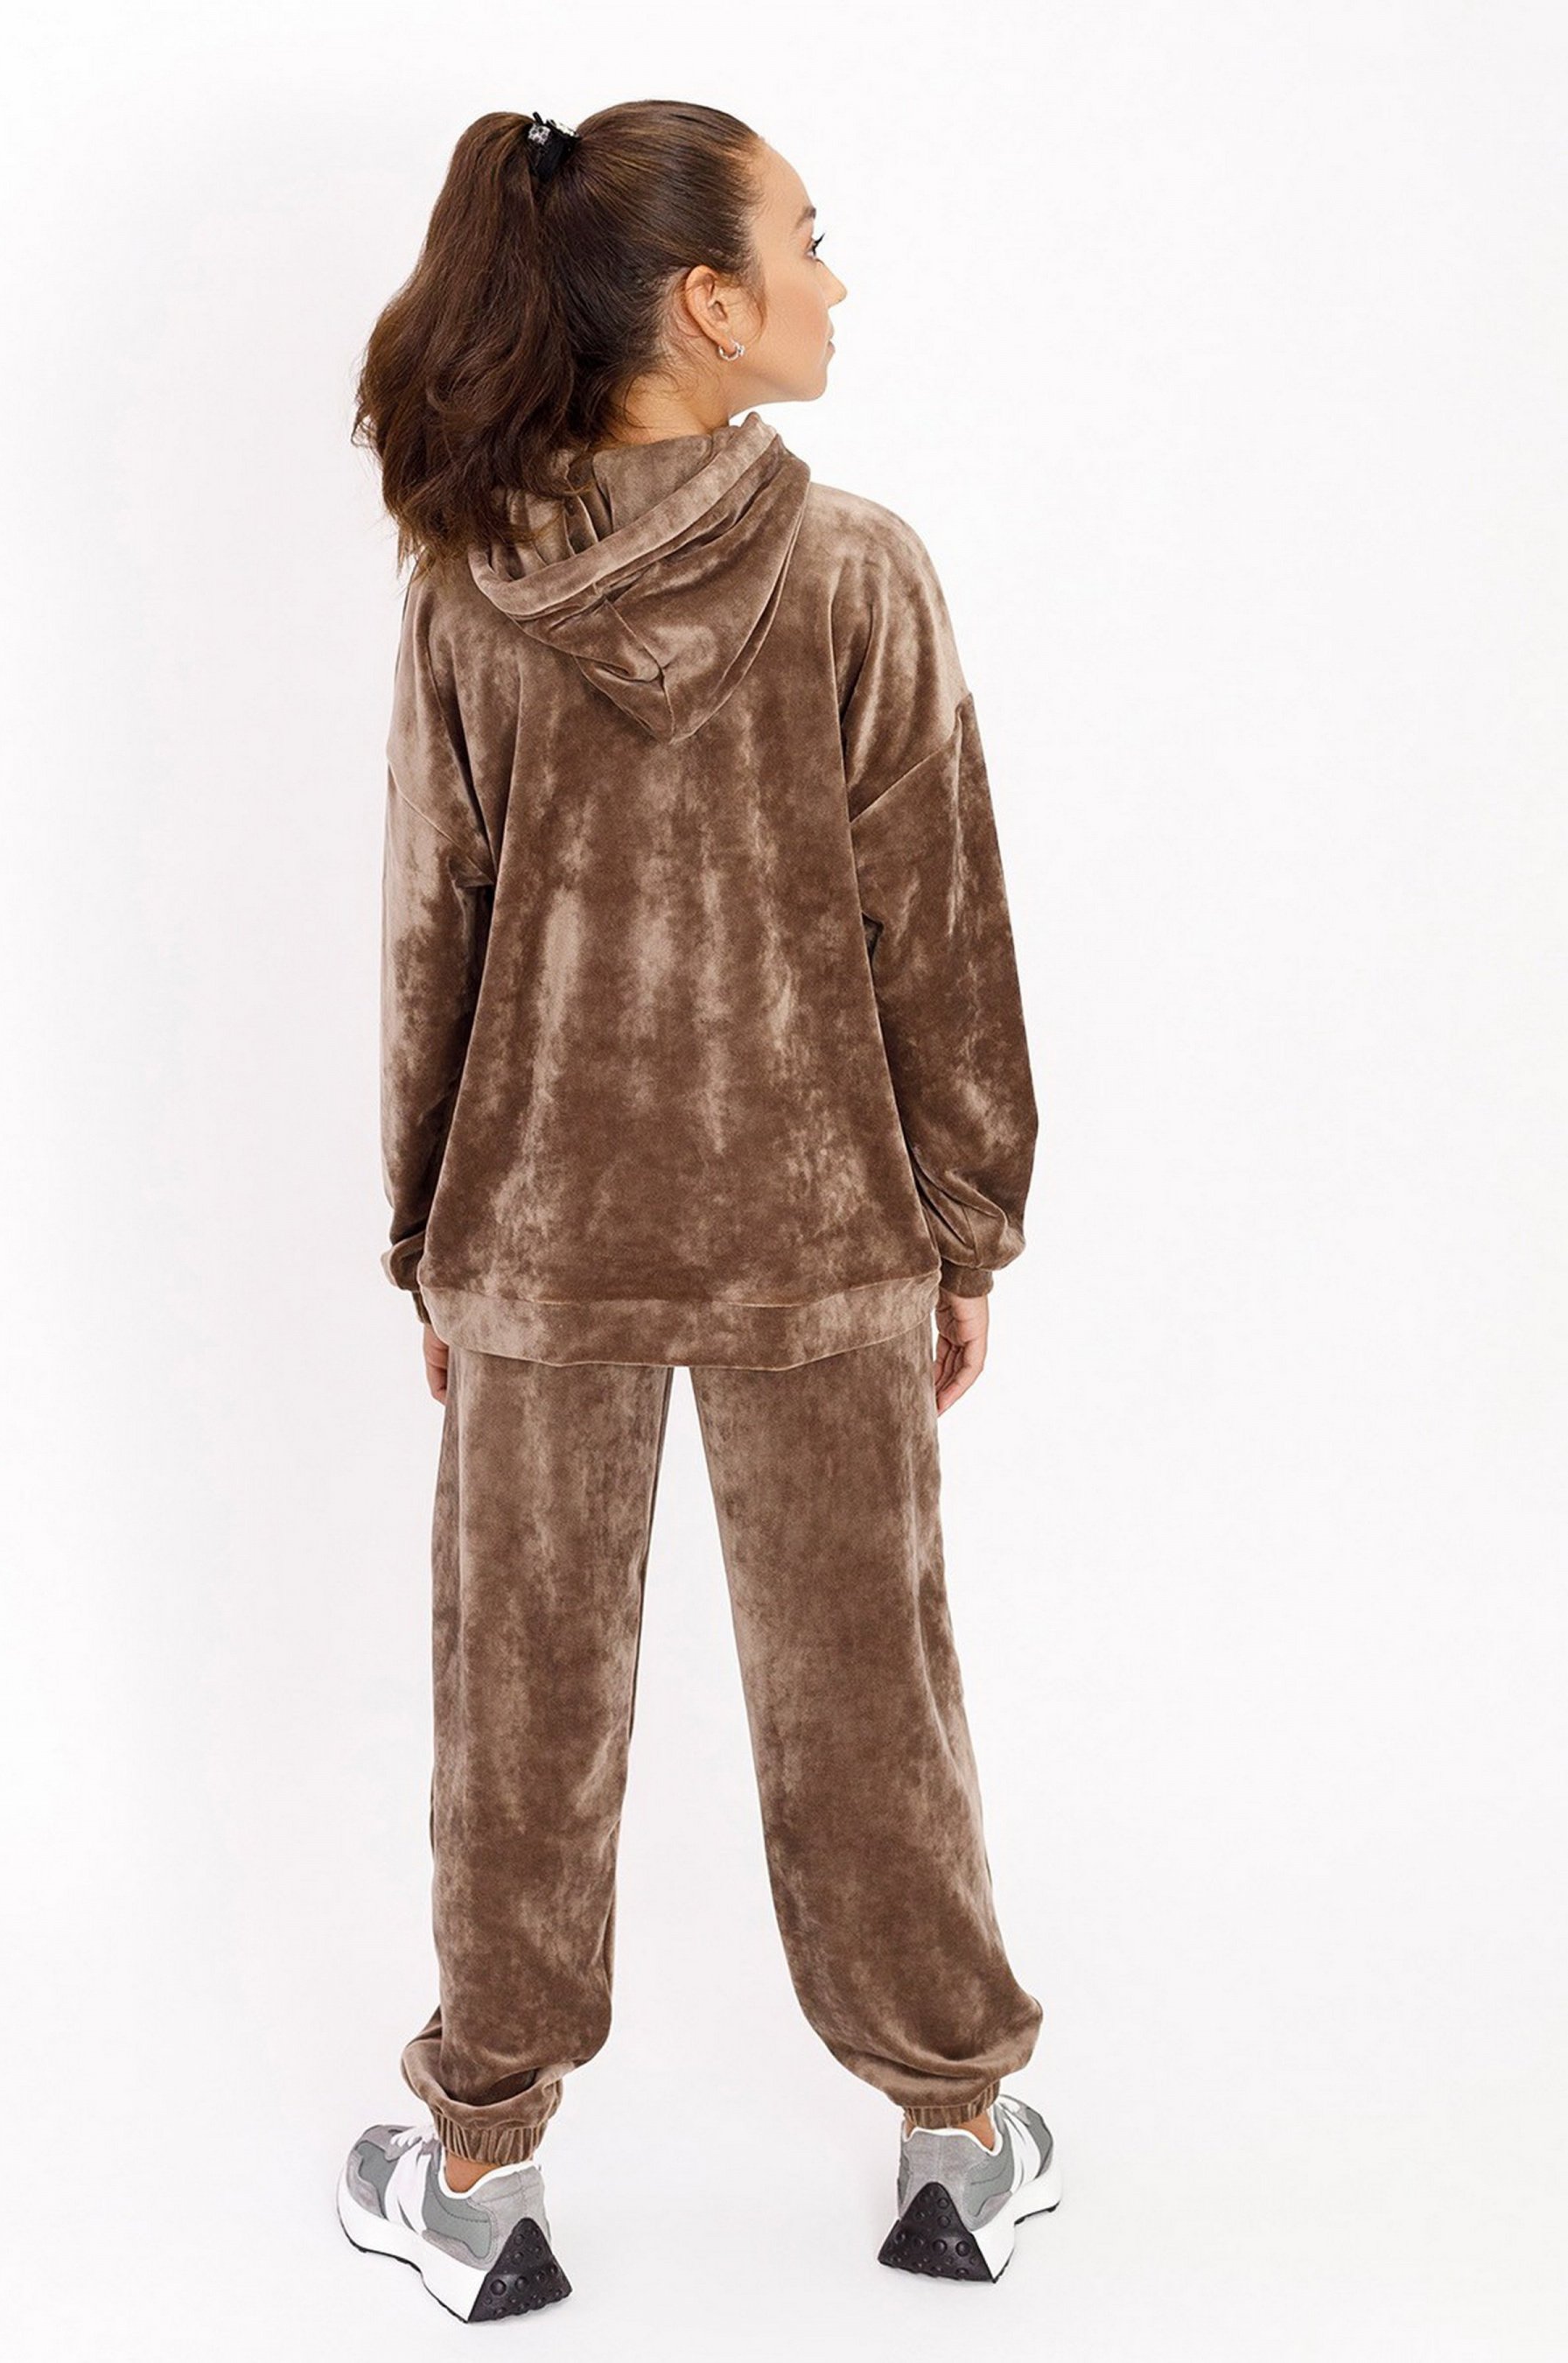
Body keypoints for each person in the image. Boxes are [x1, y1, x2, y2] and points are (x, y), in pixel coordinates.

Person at [334, 101, 1058, 2324]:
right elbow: (940, 933)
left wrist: (430, 1240)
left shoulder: (468, 585)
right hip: (816, 1239)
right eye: (806, 245)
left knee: (519, 1714)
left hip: (536, 1250)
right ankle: (955, 2140)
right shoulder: (854, 571)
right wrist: (963, 1225)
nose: (837, 282)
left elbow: (429, 943)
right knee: (864, 1700)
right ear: (707, 305)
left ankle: (479, 2170)